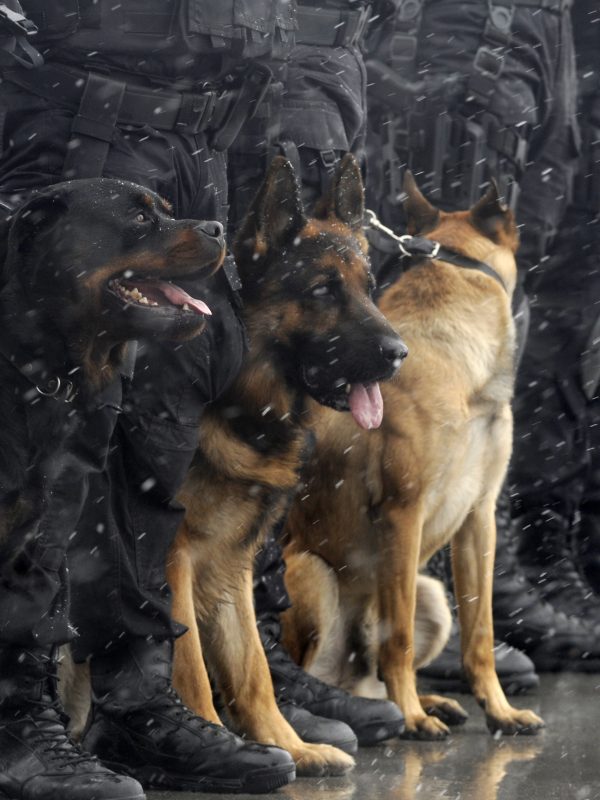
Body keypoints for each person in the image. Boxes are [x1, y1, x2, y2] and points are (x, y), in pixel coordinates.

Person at [0, 2, 298, 797]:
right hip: (81, 121)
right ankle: (16, 720)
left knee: (145, 458)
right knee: (37, 467)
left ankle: (134, 705)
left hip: (192, 131)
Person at [363, 0, 600, 679]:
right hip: (464, 26)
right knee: (448, 297)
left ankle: (519, 562)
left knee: (534, 302)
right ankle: (434, 597)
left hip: (542, 23)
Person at [509, 0, 600, 630]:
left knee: (570, 324)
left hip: (562, 50)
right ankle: (530, 555)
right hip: (524, 43)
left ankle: (560, 546)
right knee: (544, 324)